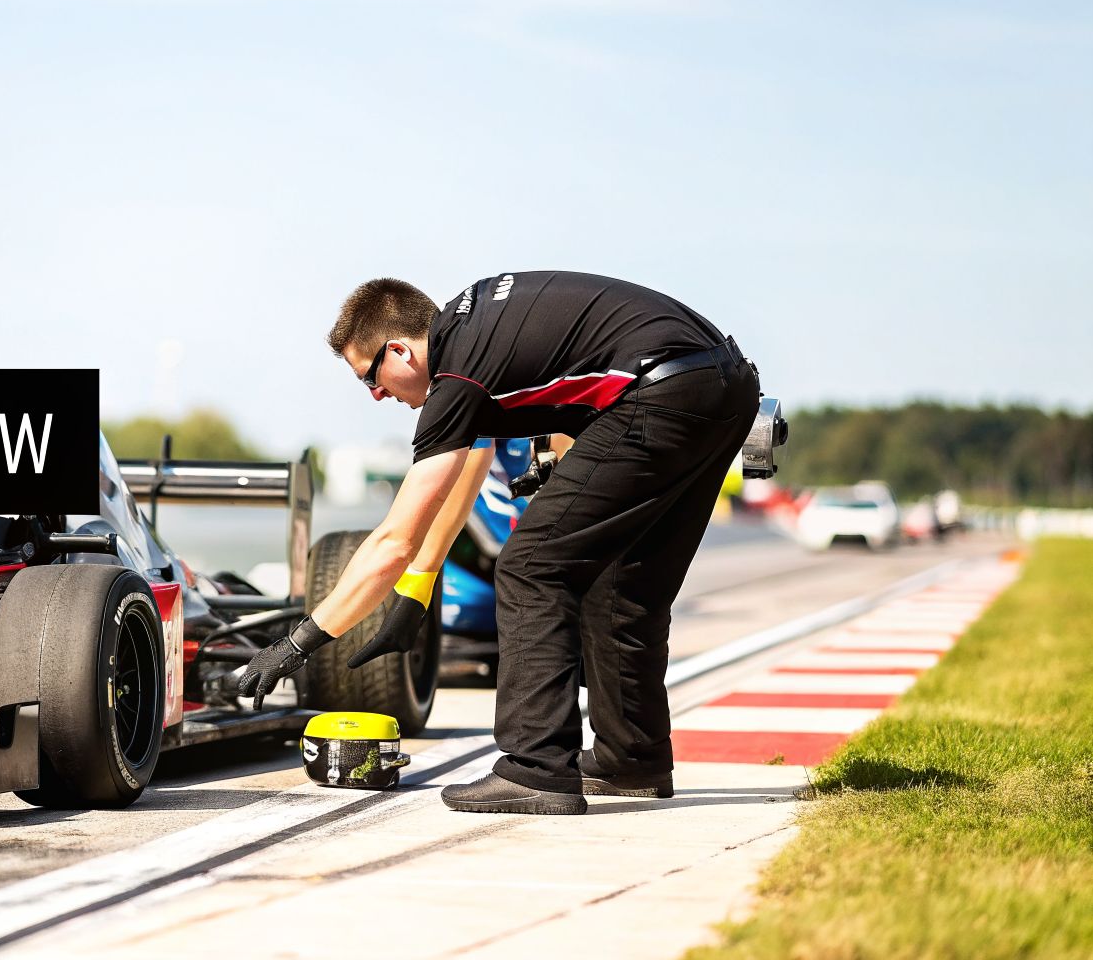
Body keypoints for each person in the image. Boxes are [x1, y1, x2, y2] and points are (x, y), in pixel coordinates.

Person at [231, 272, 759, 815]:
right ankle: (632, 761)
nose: (377, 394)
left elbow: (394, 539)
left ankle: (536, 769)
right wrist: (417, 590)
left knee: (530, 567)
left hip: (660, 393)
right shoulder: (478, 331)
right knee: (624, 581)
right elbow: (487, 453)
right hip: (724, 385)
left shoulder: (457, 376)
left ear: (400, 351)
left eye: (371, 376)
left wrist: (297, 643)